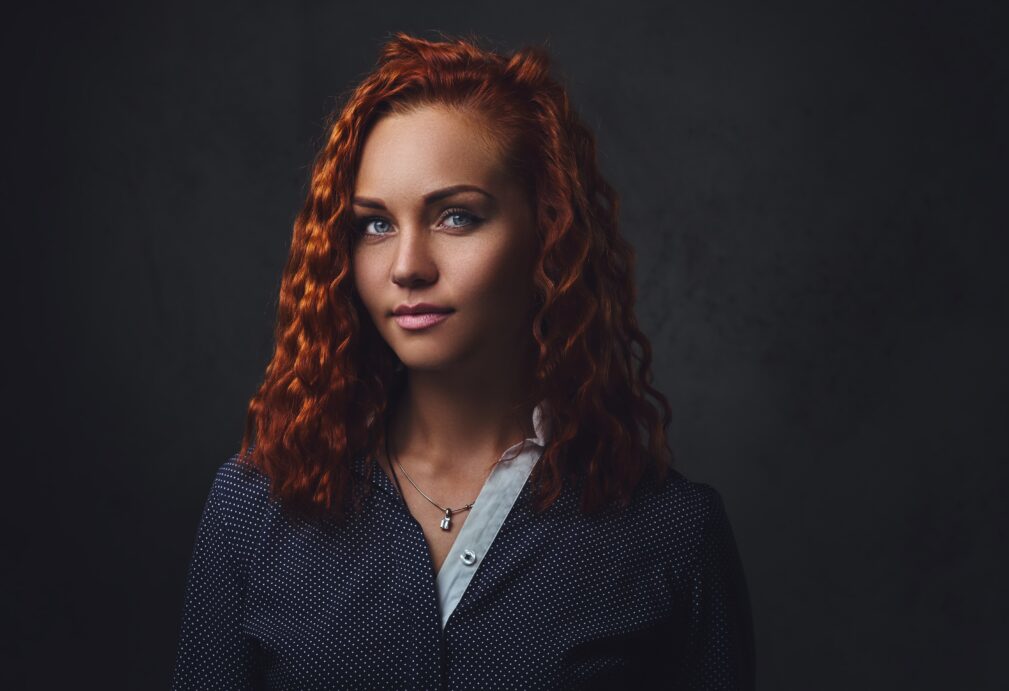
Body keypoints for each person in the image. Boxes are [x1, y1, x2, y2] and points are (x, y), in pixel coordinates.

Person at [171, 31, 756, 690]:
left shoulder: (670, 532)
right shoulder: (254, 508)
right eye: (375, 224)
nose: (407, 267)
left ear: (548, 231)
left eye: (456, 217)